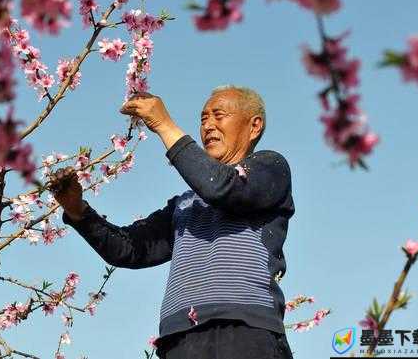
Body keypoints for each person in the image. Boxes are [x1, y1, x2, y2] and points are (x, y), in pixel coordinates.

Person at [47, 85, 295, 359]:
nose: (208, 125)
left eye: (218, 115)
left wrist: (164, 125)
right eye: (203, 119)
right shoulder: (184, 205)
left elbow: (223, 187)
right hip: (179, 340)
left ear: (254, 126)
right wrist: (78, 210)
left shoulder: (271, 168)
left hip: (245, 331)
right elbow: (129, 248)